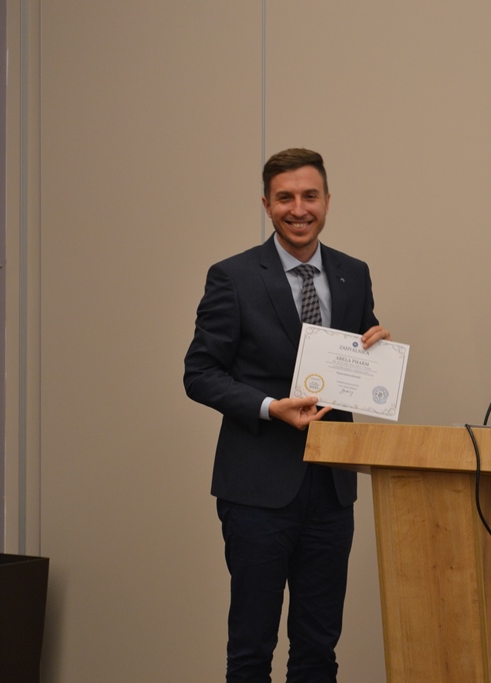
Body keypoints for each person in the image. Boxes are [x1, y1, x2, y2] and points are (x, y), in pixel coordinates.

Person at [184, 148, 391, 683]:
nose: (299, 209)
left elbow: (351, 365)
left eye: (309, 196)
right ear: (266, 204)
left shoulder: (353, 274)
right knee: (251, 650)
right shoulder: (232, 276)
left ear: (327, 201)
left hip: (331, 490)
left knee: (318, 650)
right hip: (257, 490)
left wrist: (376, 351)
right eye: (285, 198)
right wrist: (269, 408)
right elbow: (199, 373)